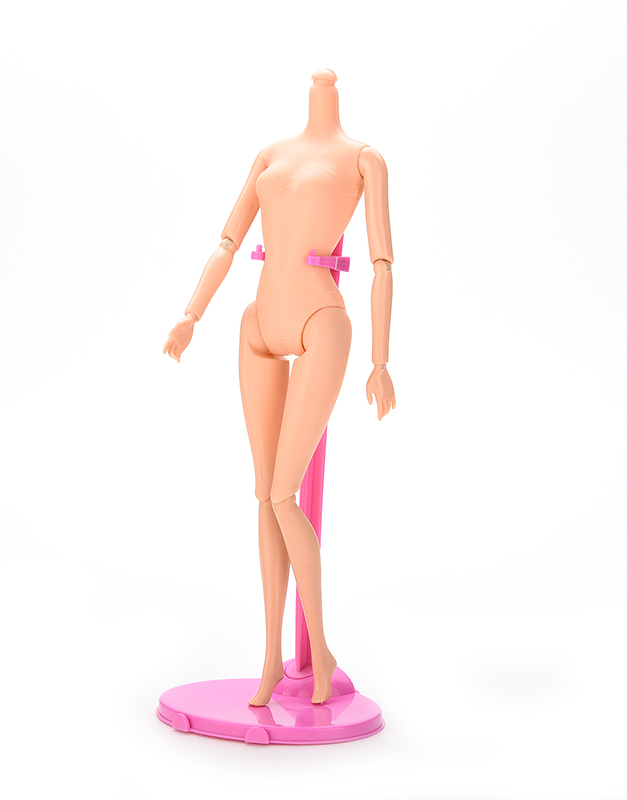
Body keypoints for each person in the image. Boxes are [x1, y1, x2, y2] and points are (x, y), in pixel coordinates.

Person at [163, 68, 395, 705]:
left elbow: (382, 263)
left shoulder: (364, 158)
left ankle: (320, 650)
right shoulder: (270, 152)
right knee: (264, 495)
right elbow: (228, 240)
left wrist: (379, 361)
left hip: (321, 318)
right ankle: (270, 660)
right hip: (258, 321)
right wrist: (191, 315)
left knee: (286, 495)